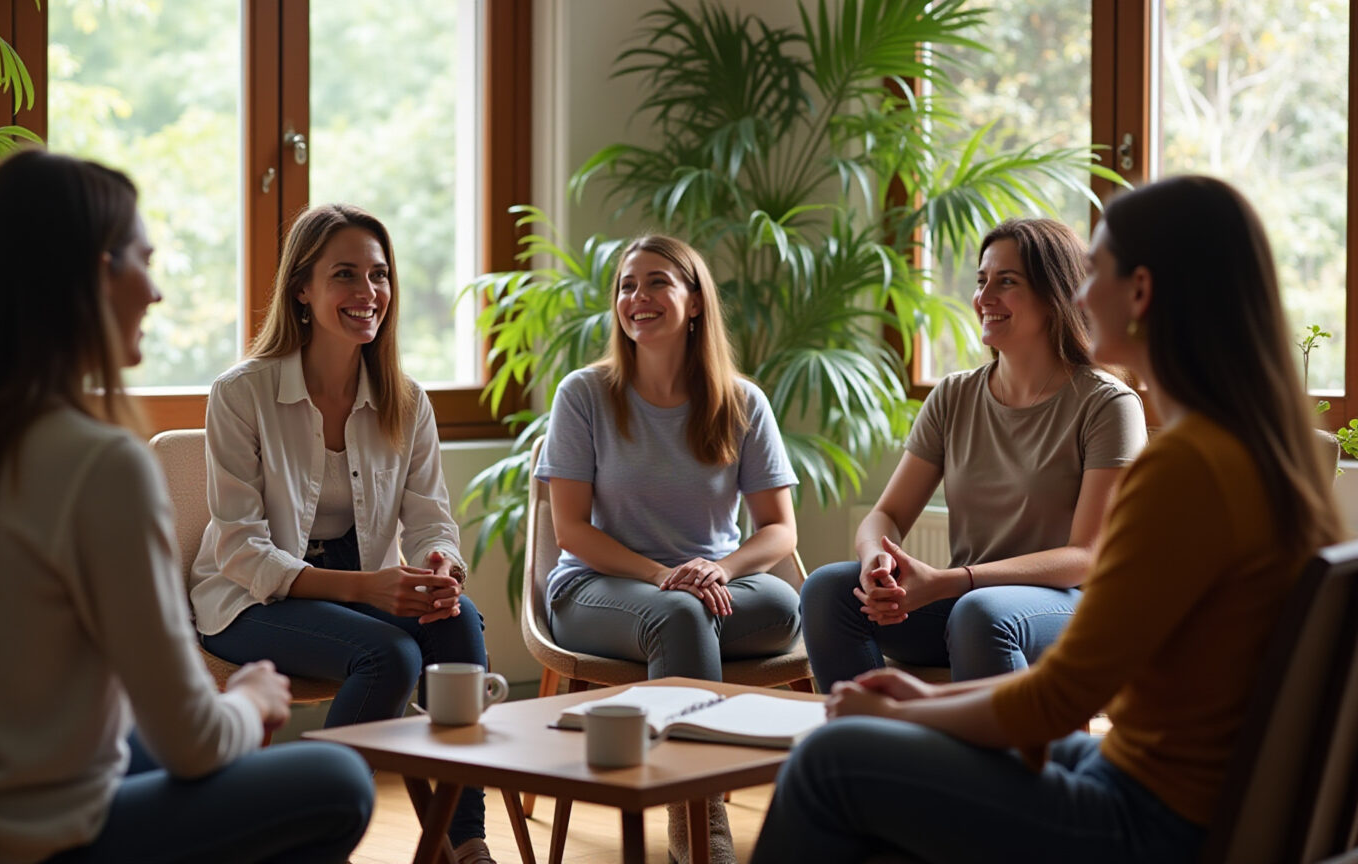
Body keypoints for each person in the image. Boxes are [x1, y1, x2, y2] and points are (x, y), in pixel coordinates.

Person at [751, 176, 1345, 863]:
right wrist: (917, 701)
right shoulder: (1259, 450)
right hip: (1167, 788)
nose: (1083, 294)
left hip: (1148, 823)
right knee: (875, 739)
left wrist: (903, 712)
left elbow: (1057, 702)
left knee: (831, 759)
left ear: (1142, 292)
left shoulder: (1184, 467)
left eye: (1095, 273)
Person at [0, 150, 373, 864]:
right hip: (45, 843)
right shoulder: (97, 464)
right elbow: (196, 740)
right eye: (142, 263)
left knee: (140, 739)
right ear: (93, 274)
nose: (154, 293)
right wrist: (252, 699)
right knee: (340, 779)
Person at [189, 203, 495, 862]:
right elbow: (239, 547)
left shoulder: (406, 400)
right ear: (302, 288)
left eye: (379, 275)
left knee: (458, 619)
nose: (368, 294)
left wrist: (440, 564)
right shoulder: (240, 395)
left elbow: (431, 514)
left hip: (359, 589)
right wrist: (368, 588)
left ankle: (467, 843)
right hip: (249, 600)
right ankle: (309, 845)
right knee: (388, 654)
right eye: (346, 275)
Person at [534, 234, 801, 864]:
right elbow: (570, 531)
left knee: (788, 605)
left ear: (695, 302)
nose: (638, 298)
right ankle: (700, 829)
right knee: (679, 616)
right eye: (627, 286)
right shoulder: (584, 395)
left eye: (657, 282)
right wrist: (665, 577)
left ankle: (711, 800)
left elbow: (779, 531)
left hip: (717, 586)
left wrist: (719, 568)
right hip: (598, 587)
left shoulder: (742, 402)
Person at [801, 218, 1148, 686]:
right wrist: (874, 562)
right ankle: (868, 743)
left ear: (1055, 295)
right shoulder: (954, 395)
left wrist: (951, 581)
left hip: (1070, 606)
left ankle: (983, 761)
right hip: (967, 602)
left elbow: (1087, 555)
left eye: (1007, 282)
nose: (984, 298)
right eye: (982, 280)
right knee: (828, 590)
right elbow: (886, 515)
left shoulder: (1107, 403)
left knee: (981, 614)